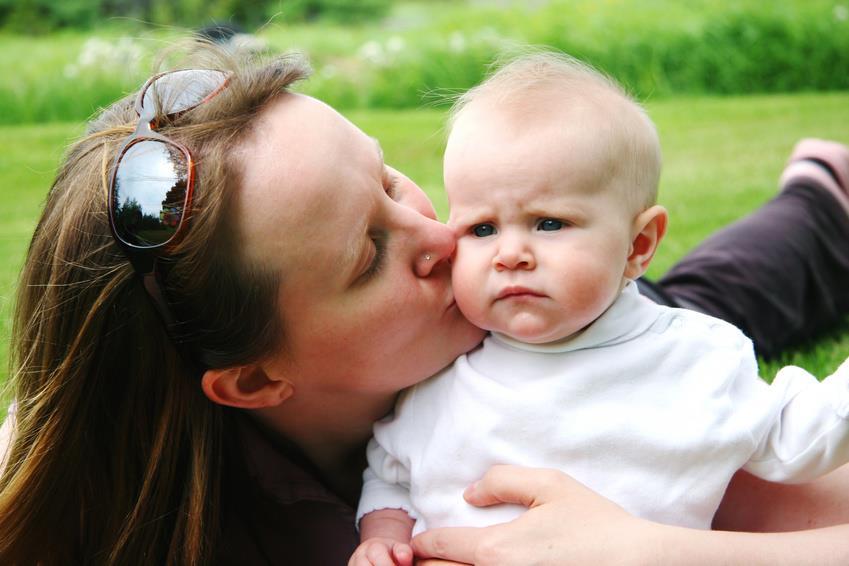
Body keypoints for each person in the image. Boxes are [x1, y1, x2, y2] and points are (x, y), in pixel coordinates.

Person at [0, 43, 847, 565]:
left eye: (388, 178)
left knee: (713, 292)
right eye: (370, 252)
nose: (446, 238)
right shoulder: (156, 503)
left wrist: (652, 552)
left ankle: (821, 197)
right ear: (254, 382)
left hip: (551, 332)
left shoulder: (626, 378)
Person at [351, 52, 849, 564]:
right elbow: (391, 473)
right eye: (482, 229)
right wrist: (383, 535)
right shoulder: (442, 379)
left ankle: (821, 199)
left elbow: (800, 437)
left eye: (548, 223)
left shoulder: (695, 360)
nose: (511, 254)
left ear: (637, 246)